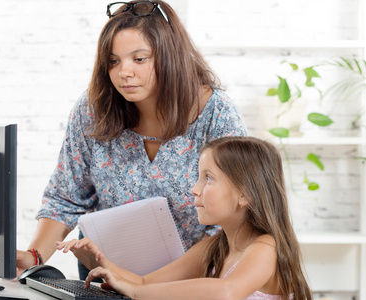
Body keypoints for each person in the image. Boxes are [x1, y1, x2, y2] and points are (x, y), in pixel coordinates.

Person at [17, 0, 247, 279]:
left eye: (139, 59)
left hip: (190, 282)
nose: (124, 72)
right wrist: (34, 257)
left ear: (169, 56)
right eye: (113, 61)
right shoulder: (93, 110)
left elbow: (230, 223)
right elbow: (66, 197)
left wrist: (143, 286)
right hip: (105, 279)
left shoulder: (216, 114)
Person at [57, 136, 313, 299]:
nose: (194, 188)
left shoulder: (266, 247)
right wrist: (101, 263)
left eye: (208, 178)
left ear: (245, 195)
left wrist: (137, 291)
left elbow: (227, 292)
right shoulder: (216, 246)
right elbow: (146, 282)